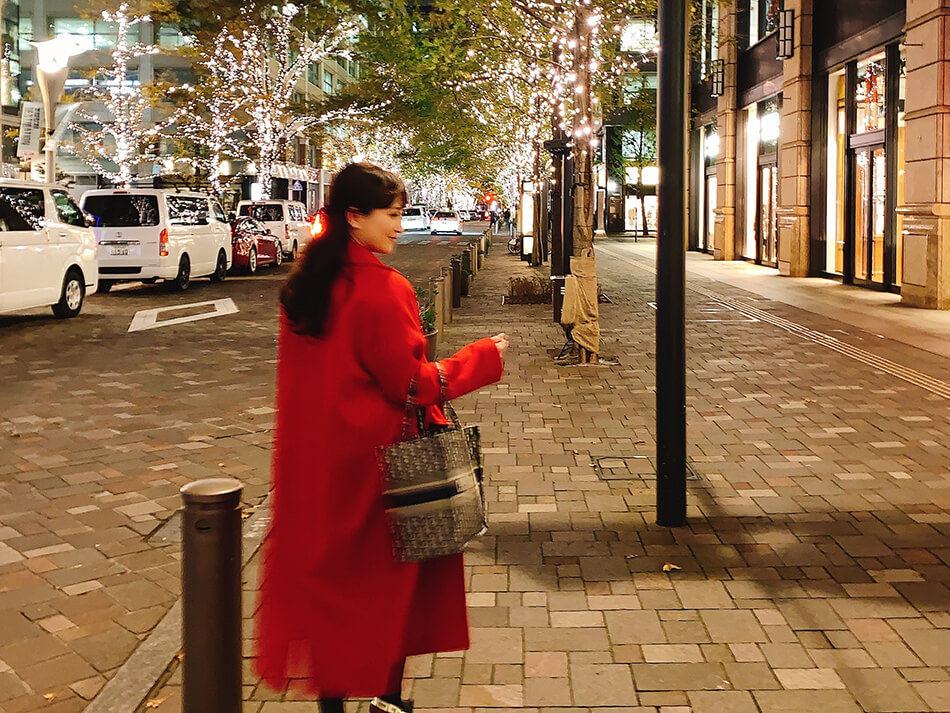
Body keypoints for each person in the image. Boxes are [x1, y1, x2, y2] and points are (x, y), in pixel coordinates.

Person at [254, 162, 509, 713]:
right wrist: (483, 357)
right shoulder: (382, 290)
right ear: (354, 217)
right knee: (389, 595)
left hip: (319, 472)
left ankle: (332, 705)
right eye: (391, 215)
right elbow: (414, 384)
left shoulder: (305, 287)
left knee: (333, 596)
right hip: (382, 472)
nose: (400, 224)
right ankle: (388, 703)